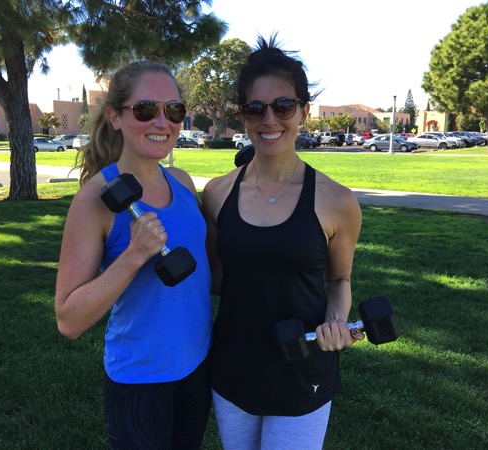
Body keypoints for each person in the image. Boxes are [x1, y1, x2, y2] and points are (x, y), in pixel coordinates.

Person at [201, 36, 363, 450]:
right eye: (255, 108)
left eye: (283, 106)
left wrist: (335, 320)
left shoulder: (337, 201)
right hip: (233, 366)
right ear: (243, 116)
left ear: (303, 112)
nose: (269, 119)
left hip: (303, 369)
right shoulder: (217, 193)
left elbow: (338, 281)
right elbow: (215, 278)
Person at [54, 60, 213, 449]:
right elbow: (69, 320)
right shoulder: (94, 199)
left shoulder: (182, 181)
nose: (163, 122)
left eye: (173, 110)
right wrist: (133, 254)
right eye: (146, 109)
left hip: (198, 365)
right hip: (141, 380)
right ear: (116, 117)